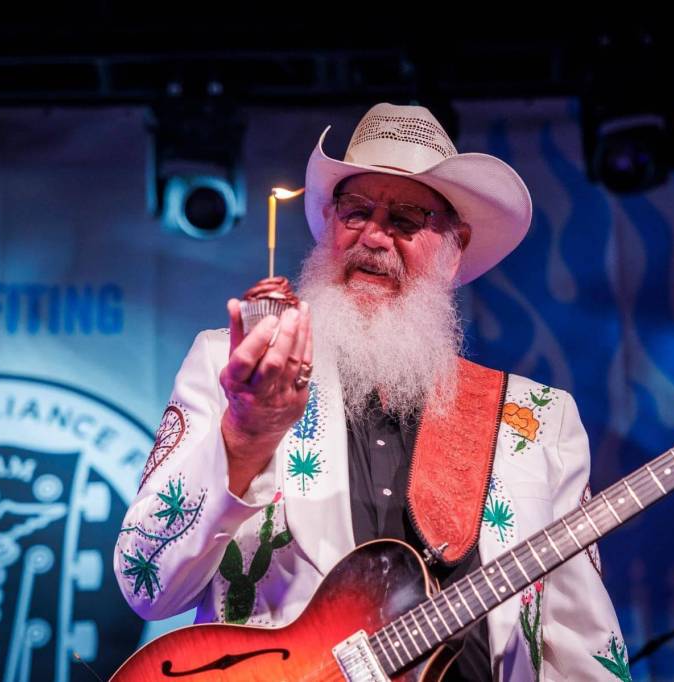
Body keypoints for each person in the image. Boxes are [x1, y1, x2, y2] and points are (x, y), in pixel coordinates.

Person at [114, 103, 630, 681]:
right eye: (356, 212)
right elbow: (145, 582)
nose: (374, 237)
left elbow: (582, 647)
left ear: (454, 246)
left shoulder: (535, 421)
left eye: (406, 220)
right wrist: (245, 434)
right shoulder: (234, 367)